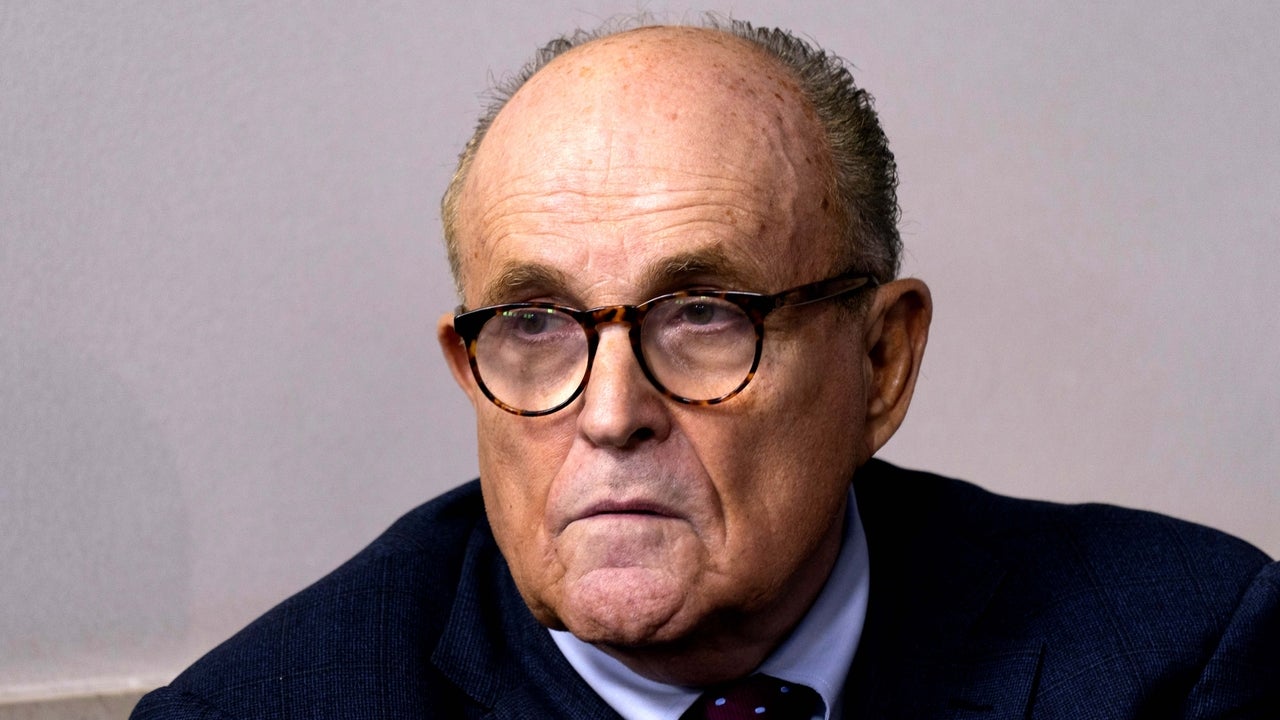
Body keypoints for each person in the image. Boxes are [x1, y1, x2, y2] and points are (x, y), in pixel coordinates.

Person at [131, 17, 1279, 720]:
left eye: (701, 314)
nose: (610, 414)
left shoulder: (1177, 658)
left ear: (881, 361)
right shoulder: (264, 710)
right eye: (534, 322)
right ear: (469, 369)